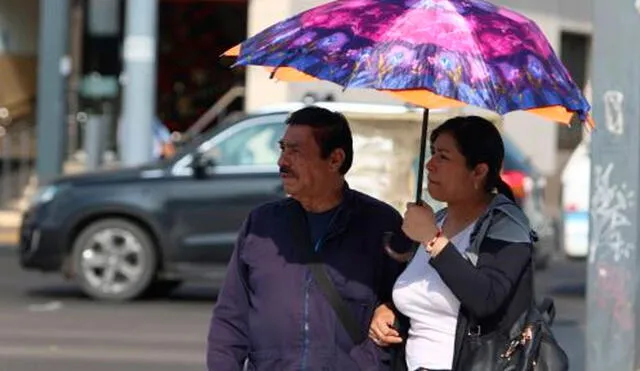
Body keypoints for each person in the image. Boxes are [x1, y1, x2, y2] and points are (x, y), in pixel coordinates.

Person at [207, 106, 412, 371]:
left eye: (295, 152)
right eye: (283, 149)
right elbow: (230, 318)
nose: (282, 162)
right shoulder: (261, 225)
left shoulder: (381, 224)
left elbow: (415, 302)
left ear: (335, 159)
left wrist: (390, 308)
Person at [368, 116, 535, 371]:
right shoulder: (437, 220)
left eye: (443, 157)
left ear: (479, 171)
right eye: (433, 153)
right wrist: (389, 311)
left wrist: (432, 239)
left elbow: (485, 298)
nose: (429, 165)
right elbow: (424, 297)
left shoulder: (506, 225)